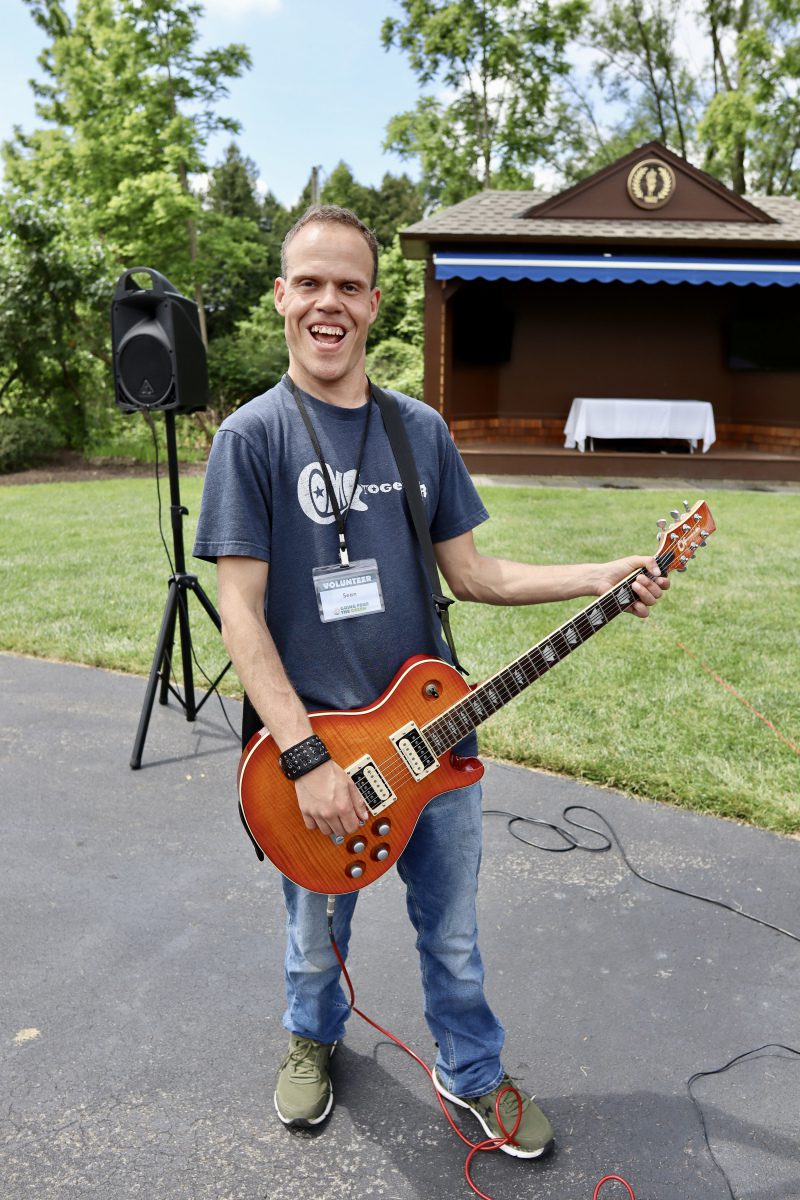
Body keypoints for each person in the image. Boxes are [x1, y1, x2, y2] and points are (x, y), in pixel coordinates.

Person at [193, 204, 669, 1158]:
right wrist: (305, 759)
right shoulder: (251, 438)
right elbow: (240, 613)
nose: (329, 303)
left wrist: (599, 575)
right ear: (281, 296)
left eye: (349, 286)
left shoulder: (419, 431)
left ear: (375, 304)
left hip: (436, 740)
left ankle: (472, 1070)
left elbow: (475, 574)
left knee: (452, 936)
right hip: (317, 754)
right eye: (310, 283)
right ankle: (312, 1037)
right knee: (314, 933)